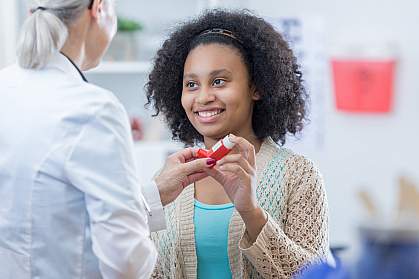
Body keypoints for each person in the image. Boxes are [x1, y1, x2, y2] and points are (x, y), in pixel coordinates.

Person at [0, 1, 214, 278]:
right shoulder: (92, 109)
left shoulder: (5, 87)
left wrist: (152, 194)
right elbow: (126, 262)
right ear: (99, 8)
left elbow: (54, 208)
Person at [145, 9, 330, 278]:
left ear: (256, 87)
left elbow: (317, 275)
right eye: (192, 84)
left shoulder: (299, 175)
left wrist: (251, 212)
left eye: (219, 81)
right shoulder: (168, 179)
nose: (204, 96)